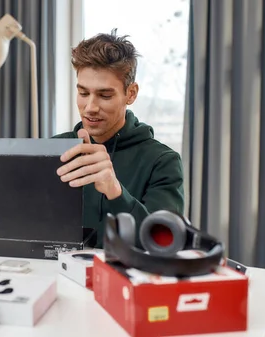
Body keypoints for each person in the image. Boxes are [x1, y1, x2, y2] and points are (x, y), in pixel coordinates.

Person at [53, 30, 185, 249]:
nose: (90, 107)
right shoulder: (56, 149)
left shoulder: (163, 162)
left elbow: (163, 244)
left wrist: (116, 192)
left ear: (131, 94)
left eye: (105, 95)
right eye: (83, 93)